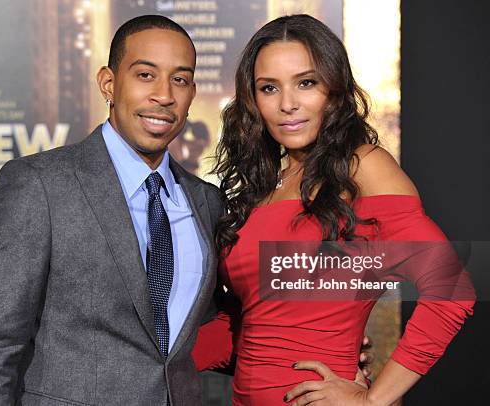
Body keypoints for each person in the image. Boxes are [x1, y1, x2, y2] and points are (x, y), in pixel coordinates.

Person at [192, 14, 475, 405]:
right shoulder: (257, 191)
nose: (288, 104)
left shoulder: (362, 167)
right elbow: (252, 327)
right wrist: (136, 350)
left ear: (335, 90)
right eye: (269, 88)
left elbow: (452, 288)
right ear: (253, 100)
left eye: (306, 83)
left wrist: (372, 399)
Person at [0, 15, 223, 405]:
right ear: (109, 83)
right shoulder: (39, 184)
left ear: (192, 93)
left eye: (180, 80)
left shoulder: (206, 201)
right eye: (146, 75)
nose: (164, 95)